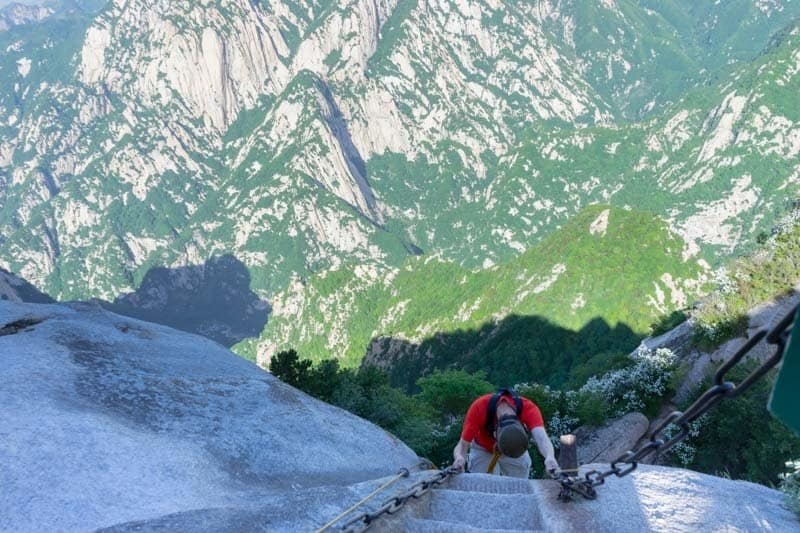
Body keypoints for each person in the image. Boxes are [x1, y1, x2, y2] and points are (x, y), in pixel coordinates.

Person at [452, 388, 558, 478]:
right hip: (483, 448)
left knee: (519, 485)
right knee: (484, 485)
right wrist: (459, 458)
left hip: (515, 447)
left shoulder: (528, 408)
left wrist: (549, 457)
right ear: (495, 433)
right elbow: (463, 444)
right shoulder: (479, 407)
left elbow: (542, 438)